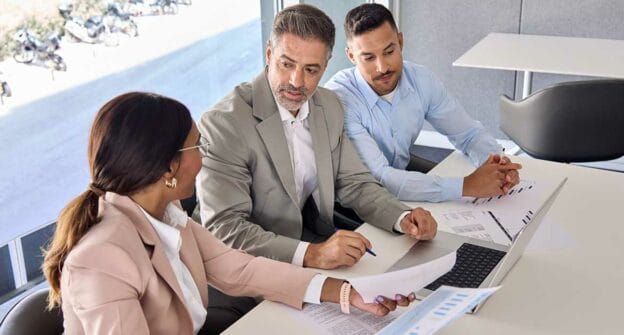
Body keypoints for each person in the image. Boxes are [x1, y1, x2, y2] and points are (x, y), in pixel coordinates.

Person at [41, 92, 414, 335]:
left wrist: (347, 293)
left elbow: (241, 269)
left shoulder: (168, 217)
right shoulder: (103, 256)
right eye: (196, 147)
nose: (203, 159)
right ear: (169, 167)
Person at [197, 3, 437, 273]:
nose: (297, 82)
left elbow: (354, 183)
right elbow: (225, 227)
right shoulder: (224, 123)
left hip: (309, 240)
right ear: (268, 54)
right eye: (287, 64)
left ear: (326, 66)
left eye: (311, 70)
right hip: (244, 263)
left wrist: (402, 217)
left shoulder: (329, 105)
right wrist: (311, 254)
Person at [325, 3, 522, 203]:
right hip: (354, 201)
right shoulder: (340, 99)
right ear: (351, 56)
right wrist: (467, 185)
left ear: (400, 42)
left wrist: (498, 165)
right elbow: (380, 178)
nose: (382, 67)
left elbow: (469, 134)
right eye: (369, 58)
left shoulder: (421, 80)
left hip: (400, 173)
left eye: (389, 52)